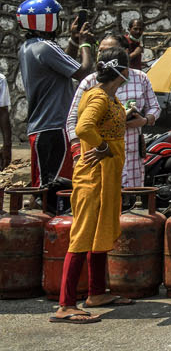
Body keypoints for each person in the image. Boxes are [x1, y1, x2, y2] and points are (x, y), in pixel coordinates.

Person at [50, 53, 136, 323]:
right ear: (120, 71)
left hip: (107, 174)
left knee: (101, 229)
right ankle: (65, 304)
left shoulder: (107, 96)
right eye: (128, 68)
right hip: (94, 175)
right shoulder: (99, 97)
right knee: (83, 234)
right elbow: (84, 126)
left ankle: (97, 292)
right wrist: (102, 147)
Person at [17, 0, 89, 209]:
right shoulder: (46, 47)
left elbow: (66, 65)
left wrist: (74, 40)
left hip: (43, 126)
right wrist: (85, 42)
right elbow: (83, 71)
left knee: (44, 184)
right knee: (53, 187)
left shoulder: (29, 47)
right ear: (45, 20)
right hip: (54, 125)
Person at [65, 33, 160, 190]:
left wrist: (143, 121)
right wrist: (78, 153)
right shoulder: (91, 84)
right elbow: (76, 122)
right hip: (98, 155)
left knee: (127, 205)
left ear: (123, 54)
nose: (103, 56)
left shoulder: (140, 78)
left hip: (131, 155)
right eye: (100, 51)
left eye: (108, 51)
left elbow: (155, 108)